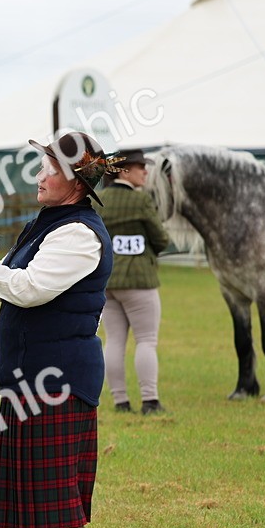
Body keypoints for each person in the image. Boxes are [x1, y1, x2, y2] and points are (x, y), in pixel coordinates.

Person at [0, 130, 117, 528]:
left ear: (73, 180)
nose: (39, 176)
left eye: (48, 167)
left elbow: (27, 289)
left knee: (58, 495)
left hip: (59, 381)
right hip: (32, 380)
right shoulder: (46, 225)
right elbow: (1, 285)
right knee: (42, 491)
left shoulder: (78, 234)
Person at [94, 149, 171, 414]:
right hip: (140, 280)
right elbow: (161, 239)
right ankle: (150, 400)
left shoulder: (99, 200)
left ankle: (120, 401)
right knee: (146, 340)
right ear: (124, 171)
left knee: (114, 340)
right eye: (140, 167)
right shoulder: (141, 202)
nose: (145, 172)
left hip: (108, 281)